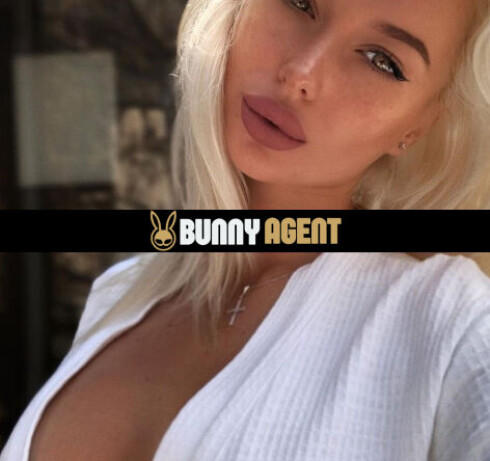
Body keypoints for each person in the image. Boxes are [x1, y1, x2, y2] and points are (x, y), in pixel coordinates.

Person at [2, 0, 490, 459]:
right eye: (299, 3)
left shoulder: (453, 320)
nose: (301, 73)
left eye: (382, 61)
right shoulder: (120, 292)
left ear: (417, 125)